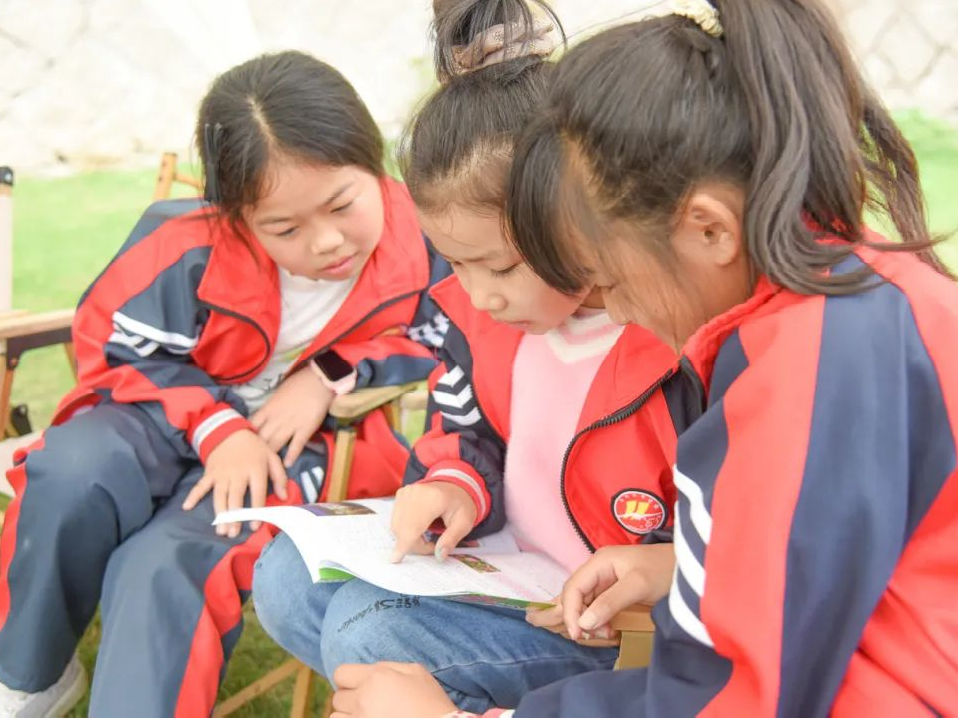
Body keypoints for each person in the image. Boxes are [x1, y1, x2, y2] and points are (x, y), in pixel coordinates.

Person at [329, 0, 958, 715]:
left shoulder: (806, 377)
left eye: (613, 279)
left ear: (708, 230)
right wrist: (681, 565)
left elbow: (735, 695)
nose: (619, 313)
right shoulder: (852, 298)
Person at [252, 1, 680, 713]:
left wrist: (659, 565)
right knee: (284, 579)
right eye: (455, 263)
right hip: (501, 567)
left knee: (366, 636)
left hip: (600, 620)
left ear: (579, 219)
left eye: (503, 266)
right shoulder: (477, 322)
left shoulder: (666, 344)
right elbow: (465, 433)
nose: (480, 296)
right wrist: (452, 486)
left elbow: (728, 541)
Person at [0, 50, 447, 717]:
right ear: (235, 215)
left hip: (307, 441)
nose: (326, 242)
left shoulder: (428, 236)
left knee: (167, 561)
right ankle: (28, 676)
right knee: (70, 471)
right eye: (285, 228)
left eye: (342, 204)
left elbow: (453, 337)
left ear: (373, 161)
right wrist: (217, 427)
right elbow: (118, 349)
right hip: (165, 414)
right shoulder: (184, 245)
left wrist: (329, 373)